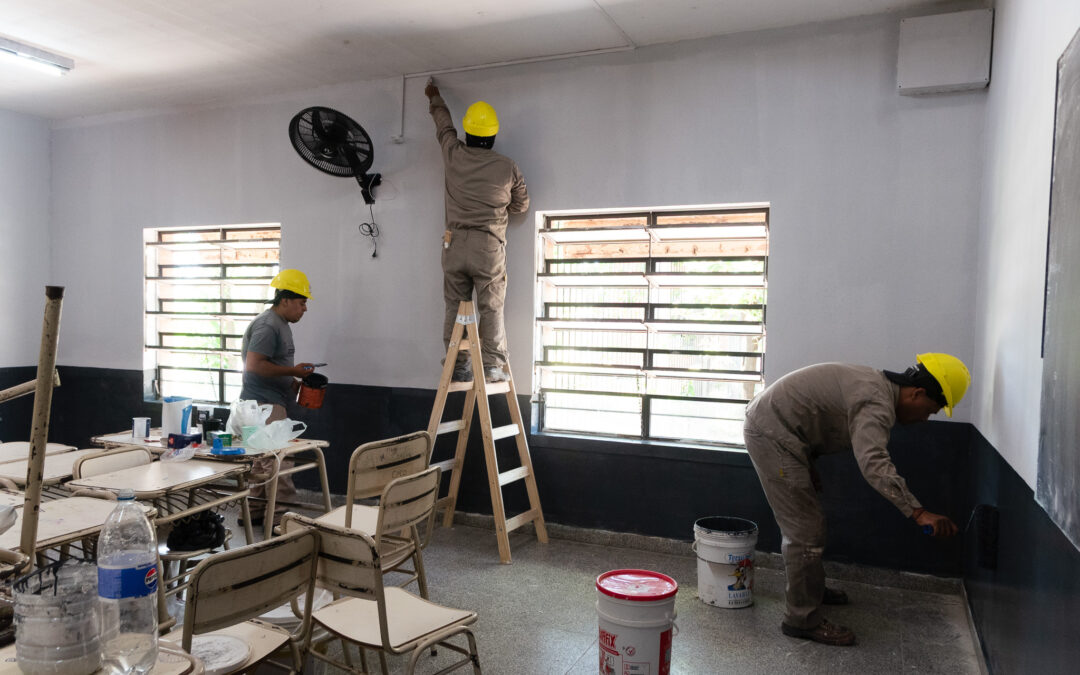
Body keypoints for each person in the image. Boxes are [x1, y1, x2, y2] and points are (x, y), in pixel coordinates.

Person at [743, 353, 970, 646]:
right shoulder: (878, 402)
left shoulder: (877, 386)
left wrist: (807, 462)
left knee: (810, 523)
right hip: (771, 434)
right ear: (918, 392)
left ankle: (809, 589)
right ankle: (801, 619)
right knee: (805, 531)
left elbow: (810, 412)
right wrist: (918, 512)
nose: (926, 418)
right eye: (931, 410)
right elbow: (873, 462)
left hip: (785, 434)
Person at [425, 79, 529, 383]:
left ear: (468, 133)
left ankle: (458, 366)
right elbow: (521, 207)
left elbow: (443, 126)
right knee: (491, 306)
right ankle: (493, 366)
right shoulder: (507, 167)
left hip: (453, 244)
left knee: (455, 308)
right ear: (493, 136)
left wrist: (434, 95)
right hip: (488, 247)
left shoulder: (453, 154)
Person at [238, 268, 315, 527]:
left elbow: (271, 363)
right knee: (279, 460)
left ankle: (255, 512)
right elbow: (254, 365)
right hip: (264, 403)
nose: (305, 309)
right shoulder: (268, 325)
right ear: (285, 300)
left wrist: (290, 380)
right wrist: (292, 371)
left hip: (263, 400)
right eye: (302, 302)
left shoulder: (280, 324)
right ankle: (283, 517)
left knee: (262, 460)